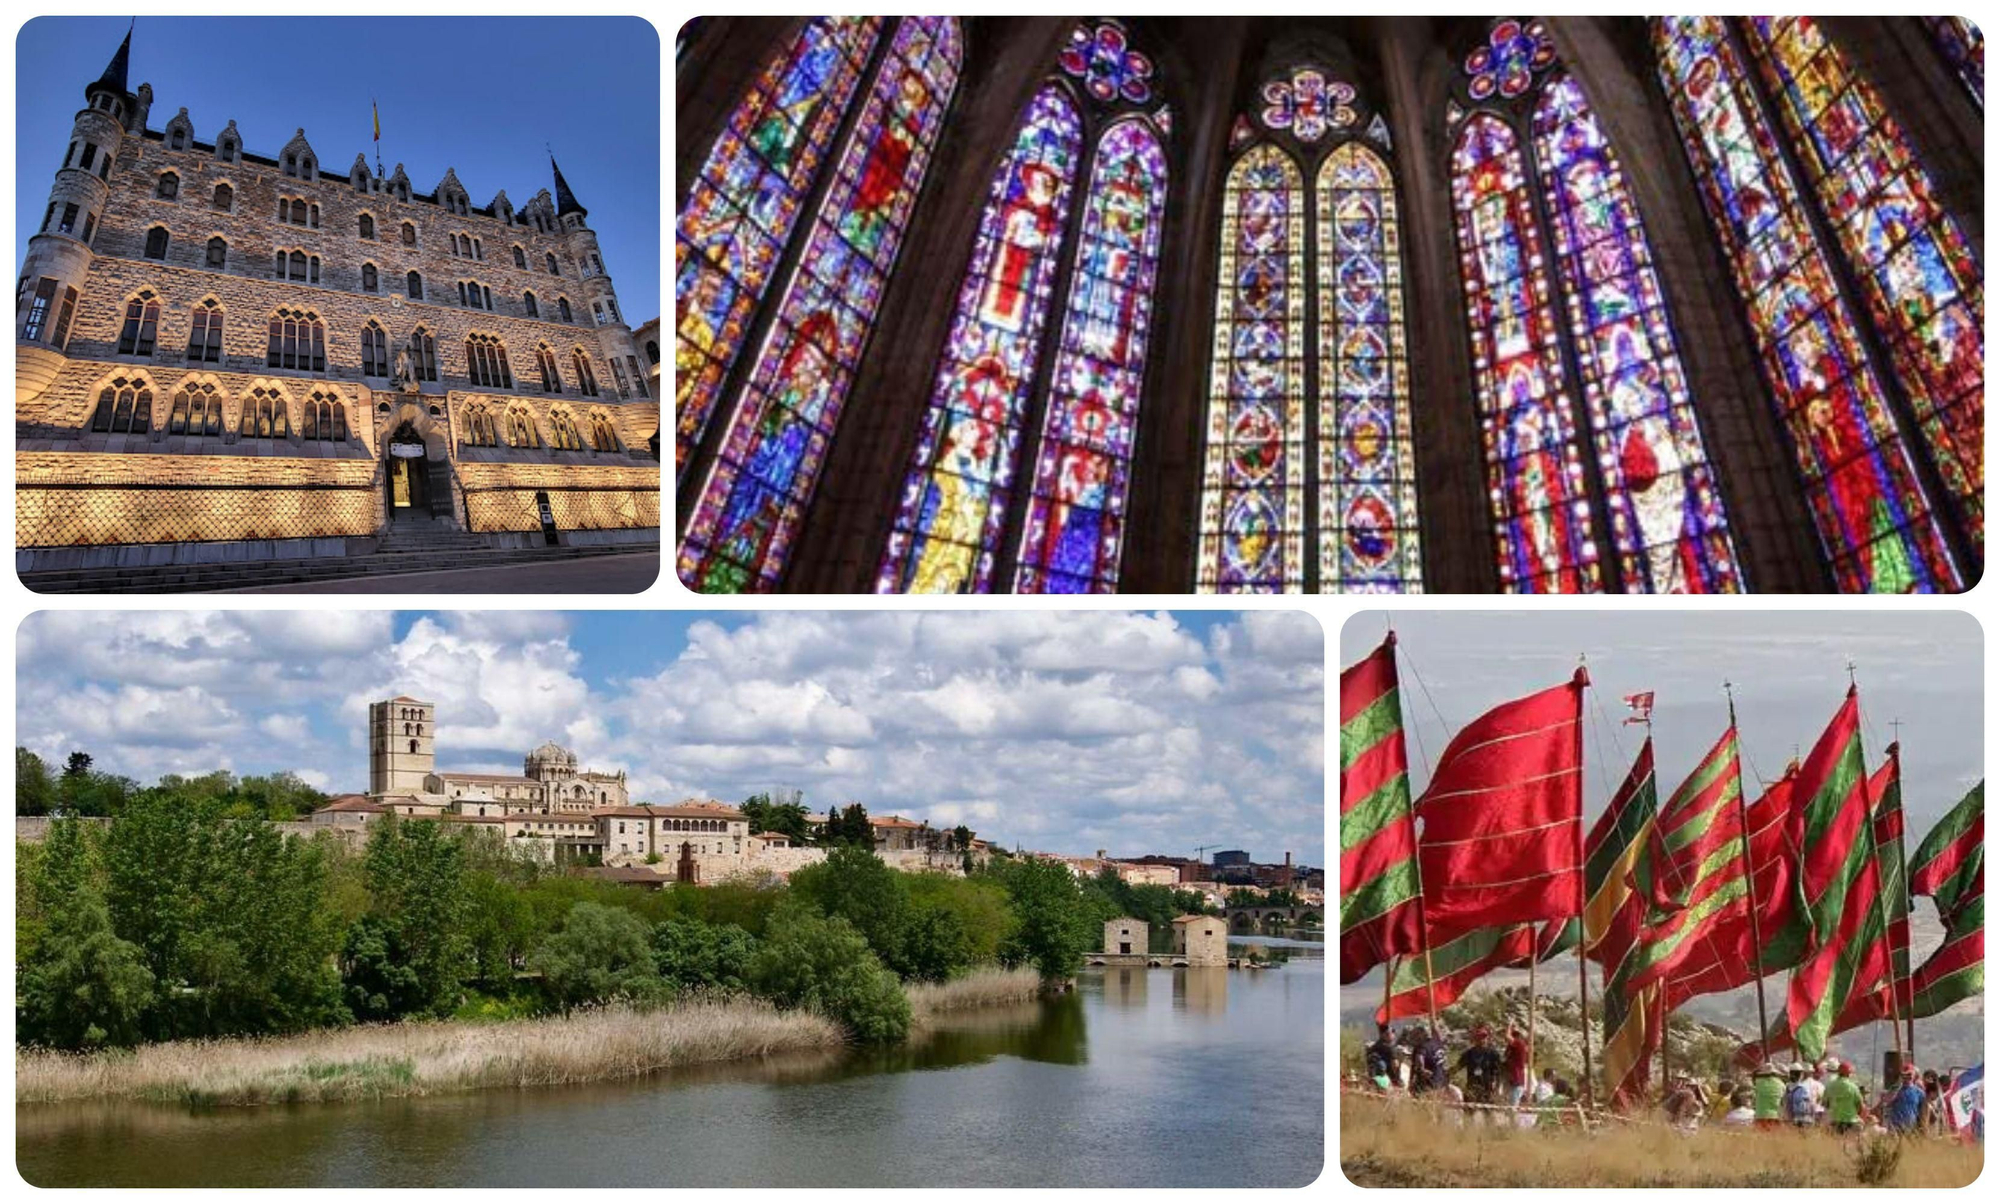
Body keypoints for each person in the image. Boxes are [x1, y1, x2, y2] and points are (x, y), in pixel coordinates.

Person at [1458, 1025, 1504, 1106]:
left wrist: (1497, 1089)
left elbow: (1499, 1073)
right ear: (1474, 1039)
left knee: (1488, 1114)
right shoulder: (1469, 1053)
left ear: (1488, 1038)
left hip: (1488, 1089)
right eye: (1478, 1037)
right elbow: (1458, 1067)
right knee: (1468, 1113)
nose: (1481, 1039)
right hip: (1472, 1087)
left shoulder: (1493, 1054)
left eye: (1484, 1037)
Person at [1825, 1060, 1864, 1135]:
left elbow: (1826, 1104)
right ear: (1848, 1073)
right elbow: (1860, 1106)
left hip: (1835, 1122)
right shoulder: (1853, 1087)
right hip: (1851, 1122)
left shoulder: (1830, 1086)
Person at [1884, 1065, 1928, 1133]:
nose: (1907, 1077)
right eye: (1904, 1075)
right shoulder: (1895, 1089)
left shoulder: (1919, 1092)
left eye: (1909, 1074)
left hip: (1911, 1128)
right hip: (1895, 1127)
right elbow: (1887, 1101)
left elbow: (1923, 1111)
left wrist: (1923, 1126)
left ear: (1914, 1075)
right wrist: (1898, 1086)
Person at [1752, 1062, 1786, 1130]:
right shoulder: (1781, 1084)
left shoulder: (1758, 1083)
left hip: (1761, 1116)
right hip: (1775, 1116)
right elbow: (1783, 1100)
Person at [1504, 1024, 1531, 1107]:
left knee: (1513, 1107)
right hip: (1511, 1080)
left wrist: (1509, 1025)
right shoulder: (1511, 1048)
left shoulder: (1519, 1044)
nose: (1514, 1036)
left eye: (1516, 1034)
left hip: (1517, 1080)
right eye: (1513, 1034)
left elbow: (1507, 1037)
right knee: (1509, 1106)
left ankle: (1513, 1119)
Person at [1784, 1063, 1817, 1128]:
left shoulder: (1789, 1087)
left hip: (1798, 1119)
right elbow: (1811, 1104)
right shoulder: (1802, 1087)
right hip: (1799, 1119)